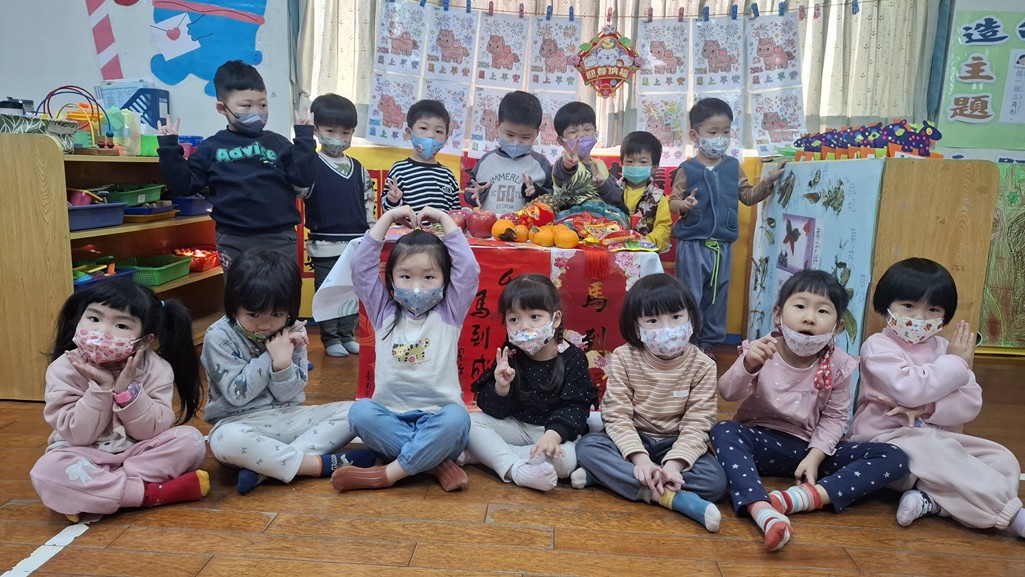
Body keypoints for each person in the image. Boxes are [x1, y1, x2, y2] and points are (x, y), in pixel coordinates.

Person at [711, 270, 909, 551]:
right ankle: (760, 508)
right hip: (760, 443)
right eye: (800, 306)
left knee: (894, 457)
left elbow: (836, 417)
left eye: (822, 311)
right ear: (778, 315)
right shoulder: (761, 349)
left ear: (837, 327)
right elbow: (728, 393)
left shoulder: (839, 363)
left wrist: (815, 458)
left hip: (811, 450)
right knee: (723, 430)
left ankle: (797, 499)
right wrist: (748, 364)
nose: (809, 318)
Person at [849, 258, 1025, 537]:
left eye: (933, 309)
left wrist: (927, 407)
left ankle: (933, 503)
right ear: (886, 305)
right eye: (908, 306)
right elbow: (910, 389)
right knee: (939, 453)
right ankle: (1013, 515)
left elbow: (970, 402)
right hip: (884, 442)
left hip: (938, 442)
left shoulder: (945, 348)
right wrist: (955, 364)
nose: (920, 318)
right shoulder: (878, 347)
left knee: (1001, 458)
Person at [30, 278, 208, 523]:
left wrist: (127, 391)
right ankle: (152, 493)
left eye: (121, 325)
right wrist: (101, 389)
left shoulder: (157, 368)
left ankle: (99, 493)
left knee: (191, 441)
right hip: (83, 453)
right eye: (94, 319)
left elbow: (151, 431)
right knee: (47, 471)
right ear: (79, 320)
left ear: (144, 340)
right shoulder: (64, 368)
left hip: (137, 452)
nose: (102, 331)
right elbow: (78, 435)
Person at [331, 206, 479, 492]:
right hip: (391, 421)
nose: (417, 287)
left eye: (429, 277)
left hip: (438, 421)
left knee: (458, 418)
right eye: (406, 277)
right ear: (391, 280)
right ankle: (436, 464)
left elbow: (468, 270)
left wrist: (444, 220)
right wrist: (386, 219)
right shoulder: (383, 312)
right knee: (360, 413)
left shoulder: (449, 312)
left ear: (445, 280)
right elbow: (361, 268)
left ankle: (386, 475)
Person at [202, 249, 375, 495]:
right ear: (233, 304)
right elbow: (237, 395)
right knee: (224, 441)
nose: (265, 324)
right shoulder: (218, 336)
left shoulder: (293, 329)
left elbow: (289, 395)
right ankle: (318, 465)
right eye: (253, 314)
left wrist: (282, 365)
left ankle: (265, 469)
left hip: (289, 417)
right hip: (238, 422)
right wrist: (271, 356)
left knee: (358, 411)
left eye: (277, 314)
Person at [573, 274, 727, 532]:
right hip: (634, 438)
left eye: (676, 317)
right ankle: (669, 497)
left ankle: (608, 477)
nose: (667, 328)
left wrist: (674, 465)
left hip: (674, 442)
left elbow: (698, 423)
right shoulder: (624, 357)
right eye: (653, 321)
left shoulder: (703, 365)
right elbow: (617, 414)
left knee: (715, 482)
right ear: (636, 327)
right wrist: (640, 460)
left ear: (691, 317)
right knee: (588, 447)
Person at [156, 60, 316, 269]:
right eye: (246, 106)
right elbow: (183, 185)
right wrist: (169, 147)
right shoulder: (211, 147)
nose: (257, 111)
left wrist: (305, 140)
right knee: (238, 289)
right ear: (222, 108)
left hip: (279, 238)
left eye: (263, 105)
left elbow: (304, 178)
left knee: (283, 289)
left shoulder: (279, 143)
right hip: (233, 240)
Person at [668, 97, 785, 357]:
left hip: (722, 246)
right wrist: (684, 205)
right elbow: (673, 201)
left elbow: (748, 196)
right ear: (694, 135)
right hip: (693, 244)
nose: (720, 138)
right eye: (713, 132)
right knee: (689, 295)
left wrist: (767, 182)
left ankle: (708, 344)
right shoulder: (687, 168)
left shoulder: (733, 167)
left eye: (725, 132)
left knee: (717, 296)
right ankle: (687, 343)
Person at [462, 274, 597, 491]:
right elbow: (493, 410)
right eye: (514, 320)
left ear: (555, 319)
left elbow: (575, 408)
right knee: (468, 423)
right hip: (515, 426)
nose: (524, 327)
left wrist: (552, 437)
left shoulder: (573, 358)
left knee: (565, 462)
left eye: (535, 317)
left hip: (551, 431)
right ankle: (515, 469)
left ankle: (486, 456)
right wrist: (501, 387)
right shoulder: (511, 353)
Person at [304, 93, 377, 358]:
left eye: (345, 132)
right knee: (328, 293)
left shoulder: (358, 168)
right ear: (316, 130)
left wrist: (372, 237)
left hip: (356, 244)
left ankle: (347, 334)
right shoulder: (311, 164)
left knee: (352, 292)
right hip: (325, 245)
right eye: (330, 131)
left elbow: (369, 204)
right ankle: (330, 338)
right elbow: (300, 190)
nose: (338, 137)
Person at [464, 91, 553, 214]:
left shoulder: (541, 164)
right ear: (497, 126)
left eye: (525, 137)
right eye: (510, 134)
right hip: (489, 224)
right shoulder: (486, 160)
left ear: (537, 133)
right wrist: (475, 193)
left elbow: (552, 197)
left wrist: (537, 192)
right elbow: (470, 191)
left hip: (525, 225)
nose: (516, 142)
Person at [381, 100, 460, 212]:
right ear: (409, 133)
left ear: (446, 139)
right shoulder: (399, 170)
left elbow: (456, 214)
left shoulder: (448, 176)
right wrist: (393, 200)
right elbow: (386, 208)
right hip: (410, 224)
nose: (431, 135)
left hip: (442, 224)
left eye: (438, 131)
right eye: (424, 128)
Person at [551, 102, 627, 214]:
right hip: (571, 219)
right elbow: (560, 177)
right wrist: (567, 166)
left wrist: (603, 185)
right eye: (573, 131)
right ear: (561, 140)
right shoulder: (563, 163)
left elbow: (616, 197)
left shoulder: (600, 165)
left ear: (595, 132)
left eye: (587, 129)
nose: (582, 135)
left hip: (602, 220)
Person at [619, 131, 672, 252]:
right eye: (630, 161)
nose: (635, 166)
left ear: (654, 167)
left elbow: (663, 227)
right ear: (622, 163)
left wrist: (644, 242)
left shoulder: (658, 198)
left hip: (645, 253)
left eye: (643, 162)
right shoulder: (612, 192)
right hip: (614, 252)